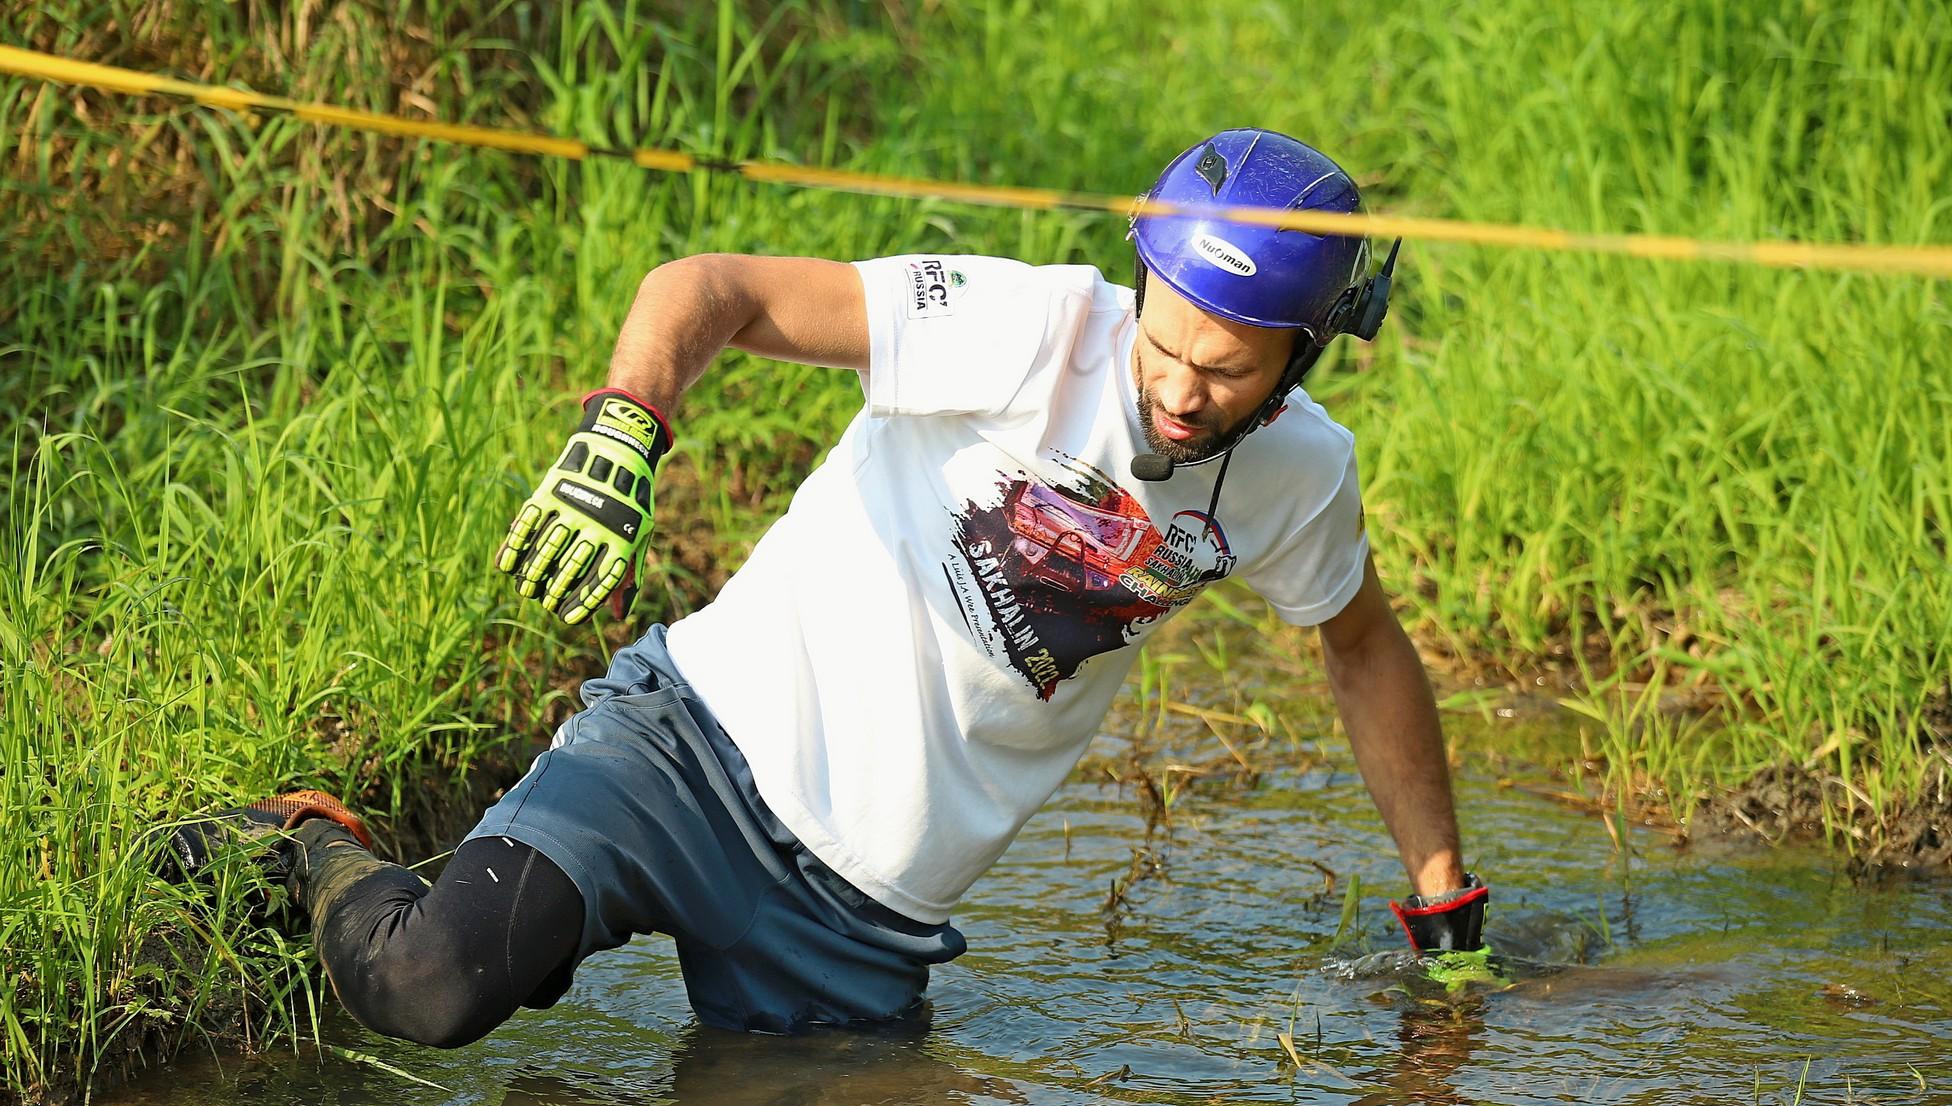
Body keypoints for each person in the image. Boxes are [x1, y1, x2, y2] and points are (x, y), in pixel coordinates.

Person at [152, 128, 1490, 1047]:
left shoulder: (1301, 476)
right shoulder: (1026, 324)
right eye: (1170, 342)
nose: (1182, 390)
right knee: (432, 988)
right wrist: (627, 423)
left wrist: (1440, 891)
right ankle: (306, 843)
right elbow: (712, 285)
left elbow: (1362, 650)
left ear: (1306, 358)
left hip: (864, 916)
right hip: (688, 752)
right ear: (1139, 280)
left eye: (1233, 372)